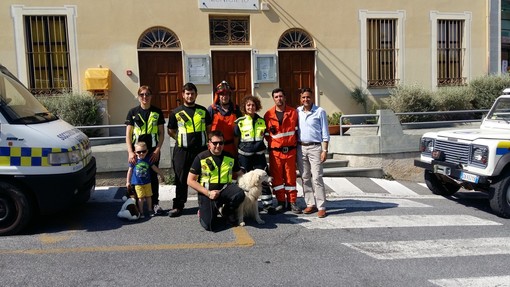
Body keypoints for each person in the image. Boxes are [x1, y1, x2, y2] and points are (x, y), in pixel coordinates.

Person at [167, 82, 212, 217]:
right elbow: (171, 131)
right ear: (183, 95)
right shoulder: (176, 112)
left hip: (201, 150)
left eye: (192, 93)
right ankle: (178, 206)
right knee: (181, 178)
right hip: (182, 151)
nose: (190, 96)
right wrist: (181, 139)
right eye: (187, 93)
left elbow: (208, 129)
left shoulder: (203, 111)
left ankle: (205, 204)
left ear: (196, 95)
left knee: (204, 177)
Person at [187, 130, 245, 231]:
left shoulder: (230, 157)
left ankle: (226, 211)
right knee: (209, 225)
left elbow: (240, 174)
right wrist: (208, 193)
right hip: (207, 192)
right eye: (215, 143)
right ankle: (204, 211)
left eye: (221, 143)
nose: (218, 146)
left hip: (224, 190)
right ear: (209, 143)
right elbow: (190, 180)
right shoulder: (201, 157)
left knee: (240, 193)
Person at [125, 85, 166, 215]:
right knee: (136, 177)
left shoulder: (157, 112)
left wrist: (157, 150)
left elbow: (161, 133)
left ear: (151, 96)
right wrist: (131, 152)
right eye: (142, 94)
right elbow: (128, 135)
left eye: (147, 94)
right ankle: (137, 205)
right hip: (138, 152)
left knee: (153, 177)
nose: (145, 97)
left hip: (152, 151)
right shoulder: (132, 112)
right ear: (138, 97)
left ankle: (155, 204)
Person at [234, 95, 275, 214]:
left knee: (264, 179)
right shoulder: (239, 122)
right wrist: (238, 153)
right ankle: (244, 204)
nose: (251, 107)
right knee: (245, 181)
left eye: (253, 105)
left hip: (259, 156)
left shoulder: (262, 121)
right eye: (248, 105)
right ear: (244, 107)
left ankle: (268, 205)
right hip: (244, 156)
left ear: (256, 106)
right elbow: (236, 138)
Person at [264, 88, 302, 214]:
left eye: (281, 96)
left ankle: (292, 202)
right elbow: (266, 134)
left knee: (290, 178)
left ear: (285, 97)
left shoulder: (293, 112)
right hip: (275, 153)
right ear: (273, 99)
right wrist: (274, 144)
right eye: (276, 97)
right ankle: (280, 202)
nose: (279, 99)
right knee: (277, 179)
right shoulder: (268, 115)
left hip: (290, 151)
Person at [296, 88, 330, 218]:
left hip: (315, 148)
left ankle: (321, 206)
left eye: (308, 97)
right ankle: (310, 204)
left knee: (317, 177)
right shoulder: (297, 111)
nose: (306, 100)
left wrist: (324, 150)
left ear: (312, 98)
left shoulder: (320, 112)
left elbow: (325, 133)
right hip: (301, 148)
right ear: (301, 99)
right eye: (303, 97)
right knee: (305, 177)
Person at [126, 142, 166, 218]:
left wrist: (161, 174)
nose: (141, 153)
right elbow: (130, 171)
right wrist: (128, 181)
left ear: (147, 151)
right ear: (135, 152)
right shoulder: (134, 161)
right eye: (138, 152)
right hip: (138, 183)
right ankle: (141, 212)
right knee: (140, 198)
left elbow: (154, 168)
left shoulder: (148, 160)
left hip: (147, 182)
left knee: (149, 196)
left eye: (143, 151)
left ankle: (150, 210)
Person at [207, 81, 242, 157]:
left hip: (231, 147)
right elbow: (207, 130)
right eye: (222, 94)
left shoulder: (236, 110)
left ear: (230, 96)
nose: (224, 97)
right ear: (218, 96)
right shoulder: (212, 110)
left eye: (227, 94)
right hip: (215, 148)